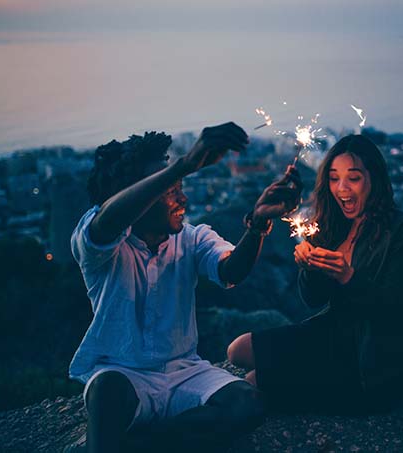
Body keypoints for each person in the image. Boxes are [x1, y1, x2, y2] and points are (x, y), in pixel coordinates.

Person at [69, 122, 303, 452]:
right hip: (123, 374)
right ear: (142, 197)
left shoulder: (191, 238)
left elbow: (230, 270)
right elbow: (107, 220)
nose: (183, 196)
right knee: (105, 393)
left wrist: (259, 222)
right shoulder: (99, 246)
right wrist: (185, 164)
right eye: (170, 190)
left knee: (247, 403)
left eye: (180, 185)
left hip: (184, 373)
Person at [227, 134, 403, 413]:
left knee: (253, 384)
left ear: (375, 179)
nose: (342, 188)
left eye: (354, 178)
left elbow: (395, 310)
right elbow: (313, 299)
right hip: (332, 335)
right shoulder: (332, 225)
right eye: (334, 178)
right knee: (237, 351)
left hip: (373, 363)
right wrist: (309, 268)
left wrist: (348, 277)